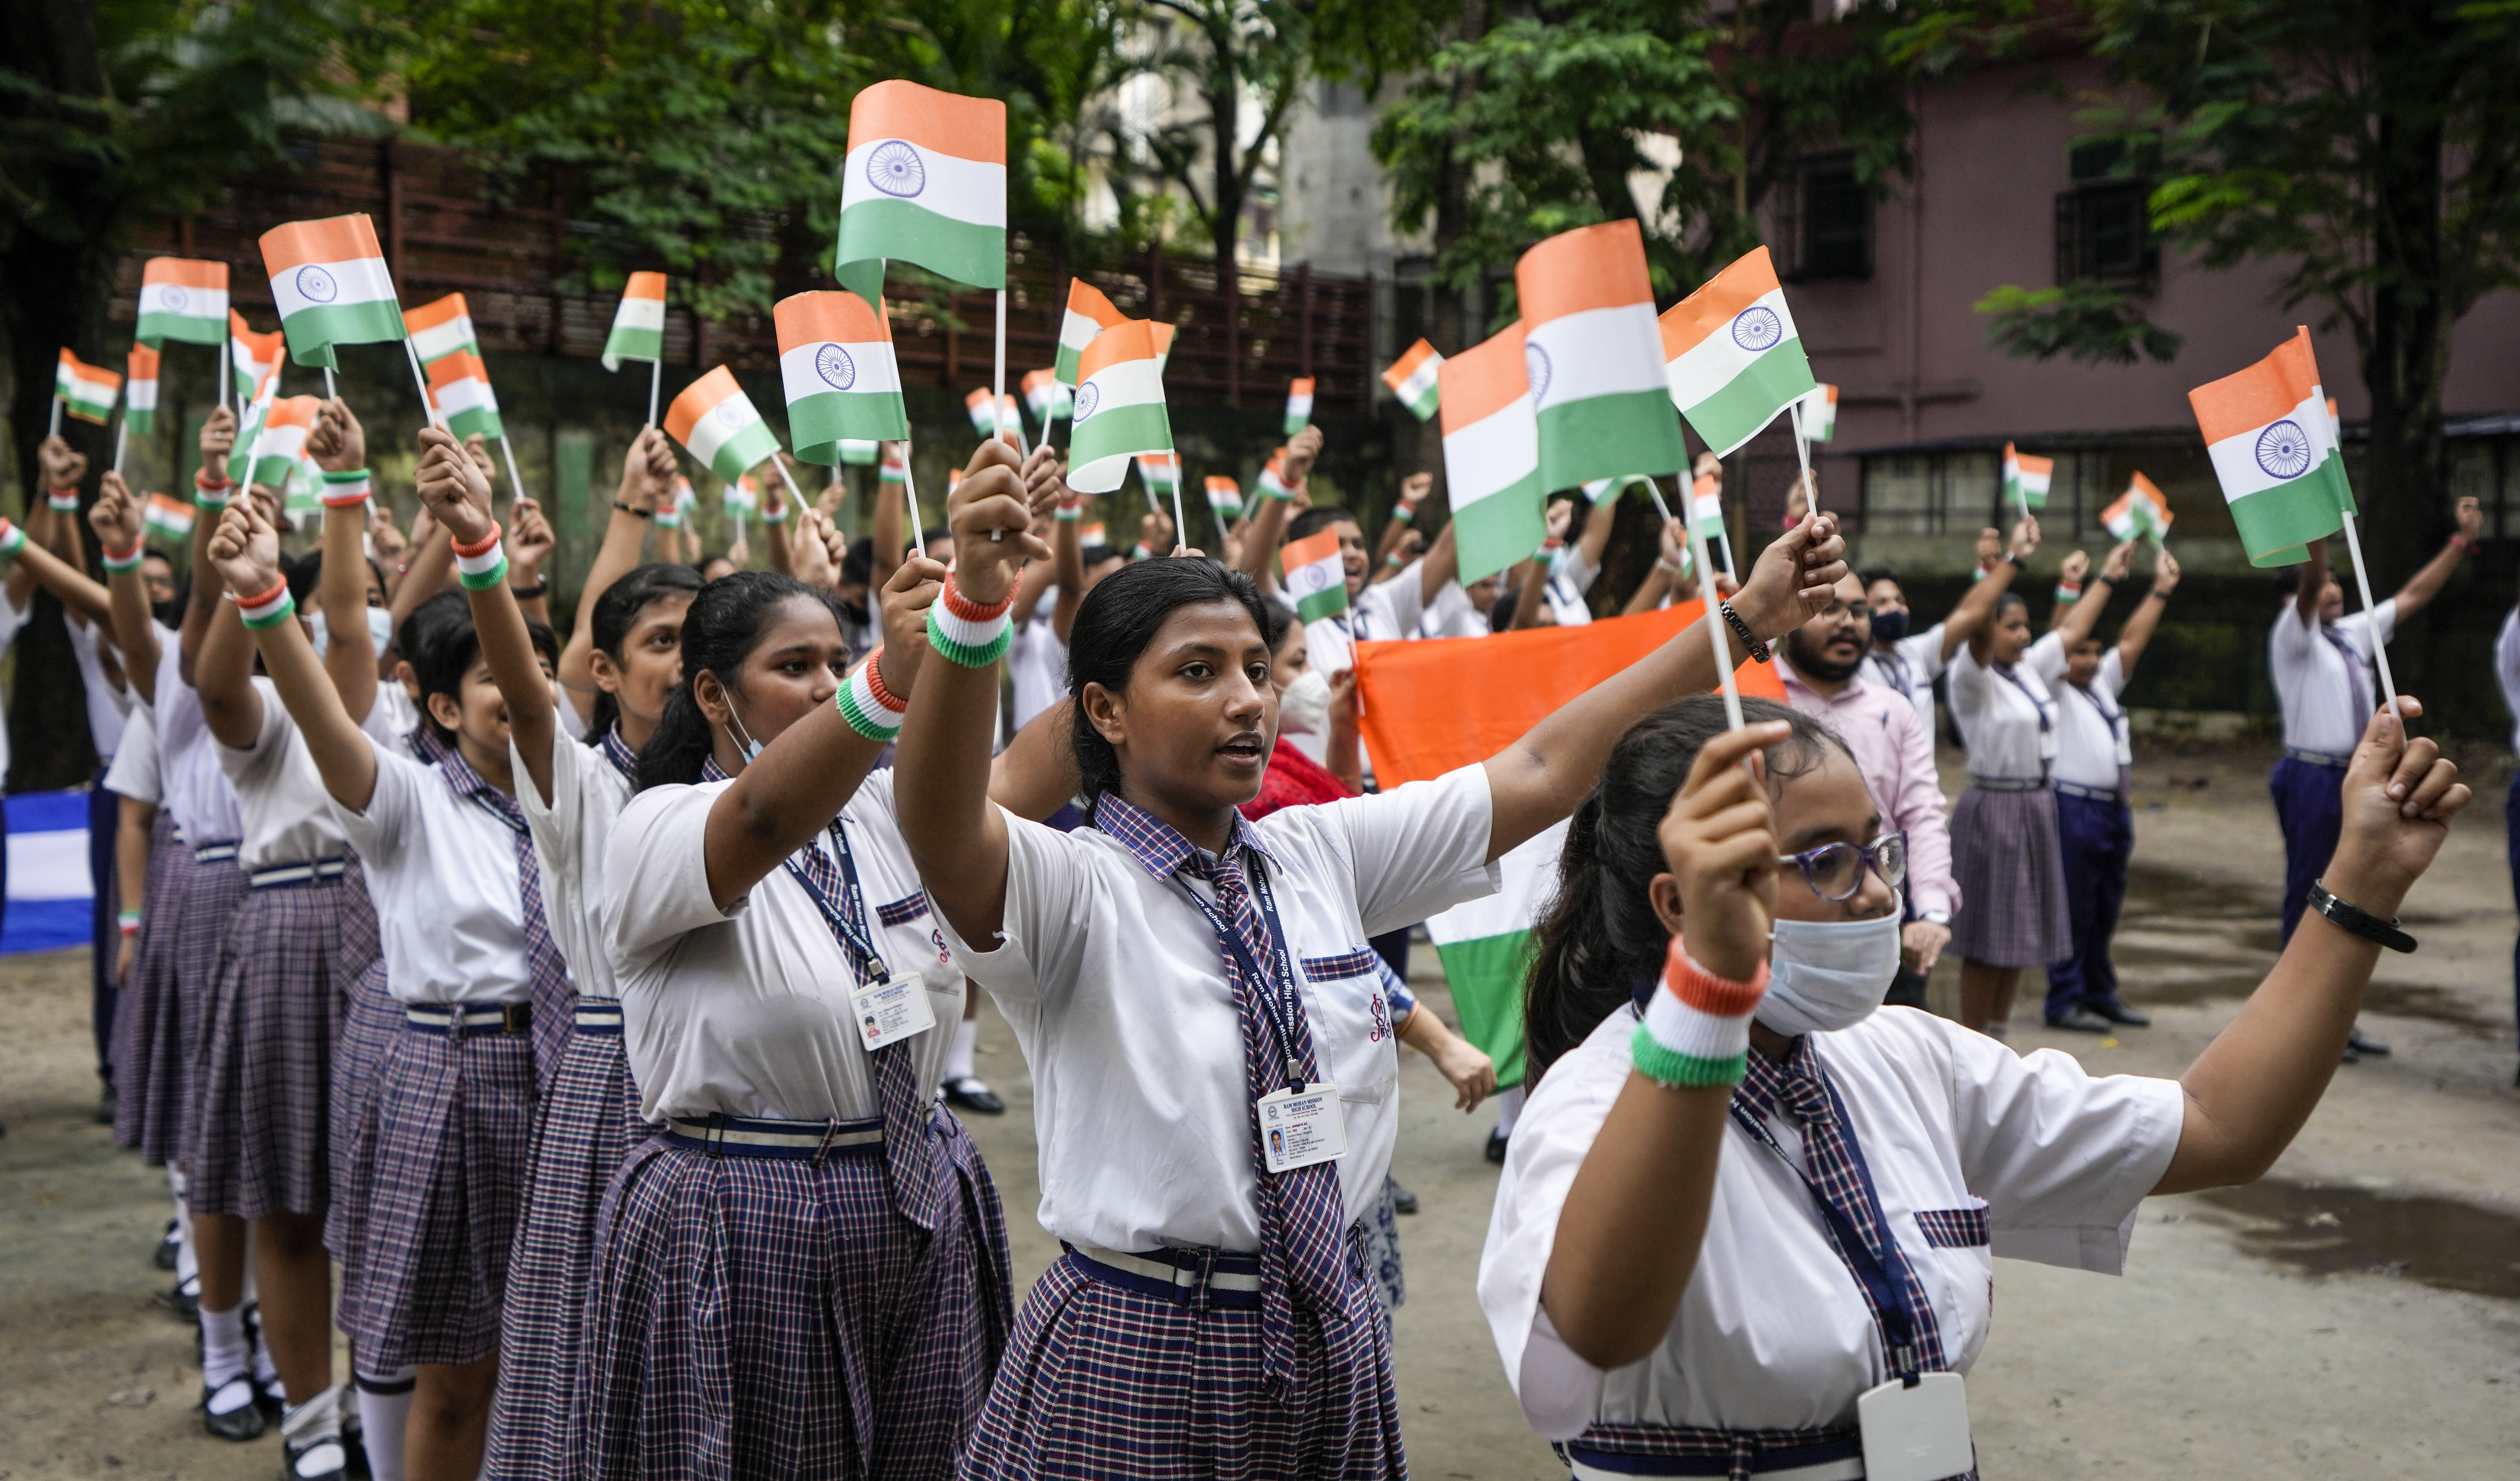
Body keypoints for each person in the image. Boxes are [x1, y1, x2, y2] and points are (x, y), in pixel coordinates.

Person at [891, 437, 1845, 1479]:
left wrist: (1744, 619)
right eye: (1197, 673)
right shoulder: (1070, 889)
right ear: (1106, 711)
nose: (1249, 700)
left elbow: (1538, 766)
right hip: (1146, 1341)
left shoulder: (1318, 852)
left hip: (1333, 1327)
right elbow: (943, 823)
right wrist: (973, 607)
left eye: (1258, 669)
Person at [1482, 689, 2465, 1470]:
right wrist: (1707, 994)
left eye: (1875, 848)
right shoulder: (1590, 1102)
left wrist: (2362, 879)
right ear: (1678, 898)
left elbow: (2217, 1125)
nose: (1874, 889)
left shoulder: (1901, 1055)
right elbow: (1601, 1323)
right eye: (1823, 862)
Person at [588, 555, 1076, 1478]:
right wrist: (886, 680)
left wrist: (1118, 645)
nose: (826, 683)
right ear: (712, 692)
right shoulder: (656, 826)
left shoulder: (887, 809)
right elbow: (763, 820)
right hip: (745, 1214)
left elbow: (1018, 776)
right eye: (795, 665)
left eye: (837, 659)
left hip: (918, 1187)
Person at [208, 477, 563, 1481]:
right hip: (453, 1080)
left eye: (536, 664)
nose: (527, 683)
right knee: (446, 1357)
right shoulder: (405, 799)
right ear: (443, 705)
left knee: (542, 1348)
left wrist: (506, 555)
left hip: (563, 1081)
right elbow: (327, 720)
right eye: (496, 673)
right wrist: (268, 601)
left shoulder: (573, 790)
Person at [407, 424, 696, 1481]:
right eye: (658, 640)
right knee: (585, 1365)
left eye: (698, 640)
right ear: (605, 672)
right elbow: (533, 697)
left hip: (731, 1098)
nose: (682, 659)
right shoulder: (580, 784)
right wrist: (481, 542)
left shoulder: (752, 798)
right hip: (617, 1084)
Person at [184, 399, 409, 1481]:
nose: (347, 617)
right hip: (284, 931)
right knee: (286, 1193)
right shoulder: (275, 711)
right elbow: (216, 681)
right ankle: (311, 1424)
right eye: (327, 604)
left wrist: (352, 498)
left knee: (377, 1193)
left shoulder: (417, 714)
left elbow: (365, 640)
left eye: (360, 603)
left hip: (386, 943)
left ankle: (374, 1411)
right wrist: (245, 565)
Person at [2268, 500, 2478, 1060]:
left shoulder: (2350, 636)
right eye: (2323, 586)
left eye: (2339, 583)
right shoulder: (2296, 639)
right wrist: (2316, 533)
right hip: (2311, 776)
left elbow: (2414, 597)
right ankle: (2295, 1024)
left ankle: (2333, 1019)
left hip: (2351, 775)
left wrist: (2460, 543)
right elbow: (2312, 580)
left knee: (2350, 892)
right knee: (2310, 891)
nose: (2334, 589)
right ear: (2296, 601)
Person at [1942, 566, 2116, 1037]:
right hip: (1995, 809)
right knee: (1987, 939)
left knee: (2020, 933)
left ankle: (1997, 1034)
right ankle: (1974, 1039)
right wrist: (2001, 568)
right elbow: (1976, 629)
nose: (2023, 635)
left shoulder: (2026, 670)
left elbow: (2071, 631)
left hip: (2036, 807)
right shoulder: (1972, 678)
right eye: (2010, 626)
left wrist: (2108, 577)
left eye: (2024, 626)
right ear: (1986, 628)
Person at [1774, 571, 1958, 1009]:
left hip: (1878, 915)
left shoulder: (1892, 709)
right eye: (1829, 608)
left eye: (1858, 610)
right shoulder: (1751, 696)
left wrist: (1931, 912)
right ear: (1787, 619)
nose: (1848, 622)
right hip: (1785, 926)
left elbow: (1923, 812)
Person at [2042, 543, 2180, 1033]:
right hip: (2073, 806)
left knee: (2105, 907)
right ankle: (2064, 998)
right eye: (2081, 651)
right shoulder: (2052, 687)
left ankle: (2099, 991)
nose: (2090, 659)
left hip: (2111, 809)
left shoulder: (2099, 685)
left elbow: (2135, 641)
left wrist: (2161, 589)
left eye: (2095, 652)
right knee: (2075, 908)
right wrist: (2072, 586)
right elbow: (2058, 637)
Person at [1858, 517, 2040, 735]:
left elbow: (1971, 613)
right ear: (1860, 612)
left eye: (1900, 601)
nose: (1895, 608)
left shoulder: (1916, 654)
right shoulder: (1853, 664)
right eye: (1882, 602)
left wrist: (2012, 557)